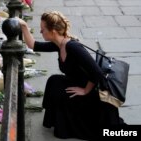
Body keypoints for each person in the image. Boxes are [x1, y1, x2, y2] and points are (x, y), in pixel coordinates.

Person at [18, 11, 125, 140]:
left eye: (42, 30)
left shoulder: (73, 47)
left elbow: (97, 73)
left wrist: (85, 90)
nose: (41, 32)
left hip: (93, 91)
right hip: (77, 81)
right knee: (54, 81)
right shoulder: (58, 44)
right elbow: (33, 45)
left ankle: (70, 125)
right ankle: (59, 121)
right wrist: (23, 26)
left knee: (59, 87)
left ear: (53, 31)